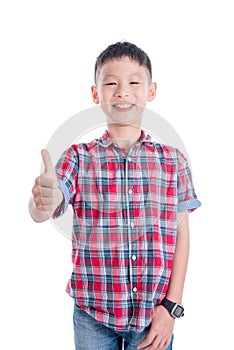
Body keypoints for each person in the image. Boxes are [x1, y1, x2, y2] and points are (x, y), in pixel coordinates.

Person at [29, 41, 201, 350]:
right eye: (111, 83)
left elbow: (182, 236)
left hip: (154, 317)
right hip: (92, 314)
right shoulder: (78, 157)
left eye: (134, 82)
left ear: (151, 90)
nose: (122, 91)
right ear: (96, 94)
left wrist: (171, 308)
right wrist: (43, 198)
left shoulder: (174, 160)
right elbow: (45, 207)